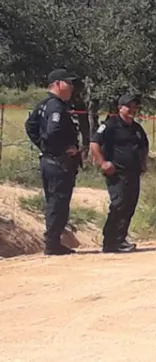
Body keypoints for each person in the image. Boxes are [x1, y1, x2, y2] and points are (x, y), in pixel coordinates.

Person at [24, 68, 82, 256]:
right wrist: (62, 148)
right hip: (58, 162)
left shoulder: (43, 104)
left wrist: (42, 145)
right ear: (57, 84)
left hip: (48, 161)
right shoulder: (56, 106)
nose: (72, 87)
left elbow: (30, 126)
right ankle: (52, 244)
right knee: (58, 202)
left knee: (54, 201)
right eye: (68, 83)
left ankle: (54, 242)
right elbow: (54, 131)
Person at [89, 94, 149, 253]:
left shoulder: (136, 128)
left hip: (133, 173)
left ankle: (120, 239)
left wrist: (144, 163)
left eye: (135, 107)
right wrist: (103, 163)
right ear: (120, 108)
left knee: (130, 206)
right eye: (129, 106)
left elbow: (144, 146)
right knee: (119, 204)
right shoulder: (110, 125)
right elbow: (94, 144)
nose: (132, 110)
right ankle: (110, 241)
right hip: (117, 174)